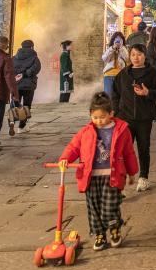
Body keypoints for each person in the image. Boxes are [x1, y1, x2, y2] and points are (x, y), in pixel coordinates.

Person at [57, 92, 138, 252]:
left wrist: (132, 172)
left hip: (112, 176)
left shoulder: (121, 130)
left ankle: (114, 229)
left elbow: (128, 152)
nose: (98, 121)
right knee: (93, 208)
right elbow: (73, 147)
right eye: (95, 117)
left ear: (111, 114)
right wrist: (65, 159)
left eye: (102, 117)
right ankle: (99, 234)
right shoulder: (85, 132)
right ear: (90, 115)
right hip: (90, 177)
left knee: (110, 206)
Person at [112, 43, 156, 192]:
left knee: (143, 147)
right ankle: (121, 181)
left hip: (144, 118)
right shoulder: (123, 74)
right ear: (129, 56)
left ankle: (143, 177)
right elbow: (115, 94)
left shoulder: (152, 73)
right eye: (133, 54)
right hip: (125, 118)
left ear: (144, 56)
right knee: (123, 150)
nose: (136, 58)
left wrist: (148, 93)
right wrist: (116, 113)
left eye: (139, 54)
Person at [12, 39, 41, 130]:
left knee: (15, 103)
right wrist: (24, 74)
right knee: (26, 105)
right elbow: (36, 69)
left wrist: (17, 75)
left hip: (16, 84)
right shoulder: (34, 58)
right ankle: (21, 126)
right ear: (32, 47)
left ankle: (12, 121)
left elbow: (10, 69)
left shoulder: (14, 57)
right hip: (29, 85)